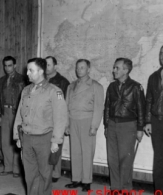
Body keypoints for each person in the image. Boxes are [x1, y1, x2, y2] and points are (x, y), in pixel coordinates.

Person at [13, 58, 68, 195]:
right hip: (26, 137)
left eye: (31, 70)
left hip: (45, 139)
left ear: (41, 71)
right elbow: (19, 115)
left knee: (45, 175)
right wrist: (17, 136)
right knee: (30, 175)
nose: (27, 73)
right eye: (27, 70)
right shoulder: (25, 90)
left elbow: (60, 118)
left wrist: (56, 141)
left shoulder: (54, 91)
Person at [104, 58, 145, 191]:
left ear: (126, 70)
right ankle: (115, 188)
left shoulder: (136, 87)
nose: (114, 70)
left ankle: (126, 188)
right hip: (112, 125)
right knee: (112, 159)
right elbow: (107, 108)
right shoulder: (111, 86)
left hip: (128, 126)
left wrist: (140, 129)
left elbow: (141, 108)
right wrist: (106, 125)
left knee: (125, 159)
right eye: (114, 67)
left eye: (117, 68)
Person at [65, 59, 104, 191]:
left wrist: (94, 126)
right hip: (73, 120)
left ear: (88, 69)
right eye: (77, 68)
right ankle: (76, 179)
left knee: (87, 152)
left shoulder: (96, 86)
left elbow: (99, 108)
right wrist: (66, 124)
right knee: (75, 151)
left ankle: (86, 181)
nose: (79, 70)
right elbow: (66, 106)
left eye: (82, 68)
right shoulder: (71, 86)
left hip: (87, 121)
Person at [0, 56, 26, 178]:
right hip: (5, 113)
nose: (7, 68)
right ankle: (7, 167)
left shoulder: (22, 79)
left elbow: (24, 99)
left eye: (10, 65)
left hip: (17, 113)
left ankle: (17, 169)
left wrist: (23, 116)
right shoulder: (2, 80)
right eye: (5, 65)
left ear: (15, 65)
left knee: (16, 141)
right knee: (5, 142)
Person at [45, 56, 70, 183]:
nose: (46, 67)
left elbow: (64, 103)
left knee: (56, 146)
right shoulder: (42, 79)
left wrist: (65, 122)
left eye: (48, 65)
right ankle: (46, 172)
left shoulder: (63, 82)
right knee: (44, 146)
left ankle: (55, 174)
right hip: (44, 118)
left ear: (55, 66)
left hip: (57, 118)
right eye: (45, 64)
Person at [144, 46, 163, 193]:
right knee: (159, 158)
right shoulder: (154, 77)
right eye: (162, 53)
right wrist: (148, 121)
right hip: (156, 121)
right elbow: (149, 100)